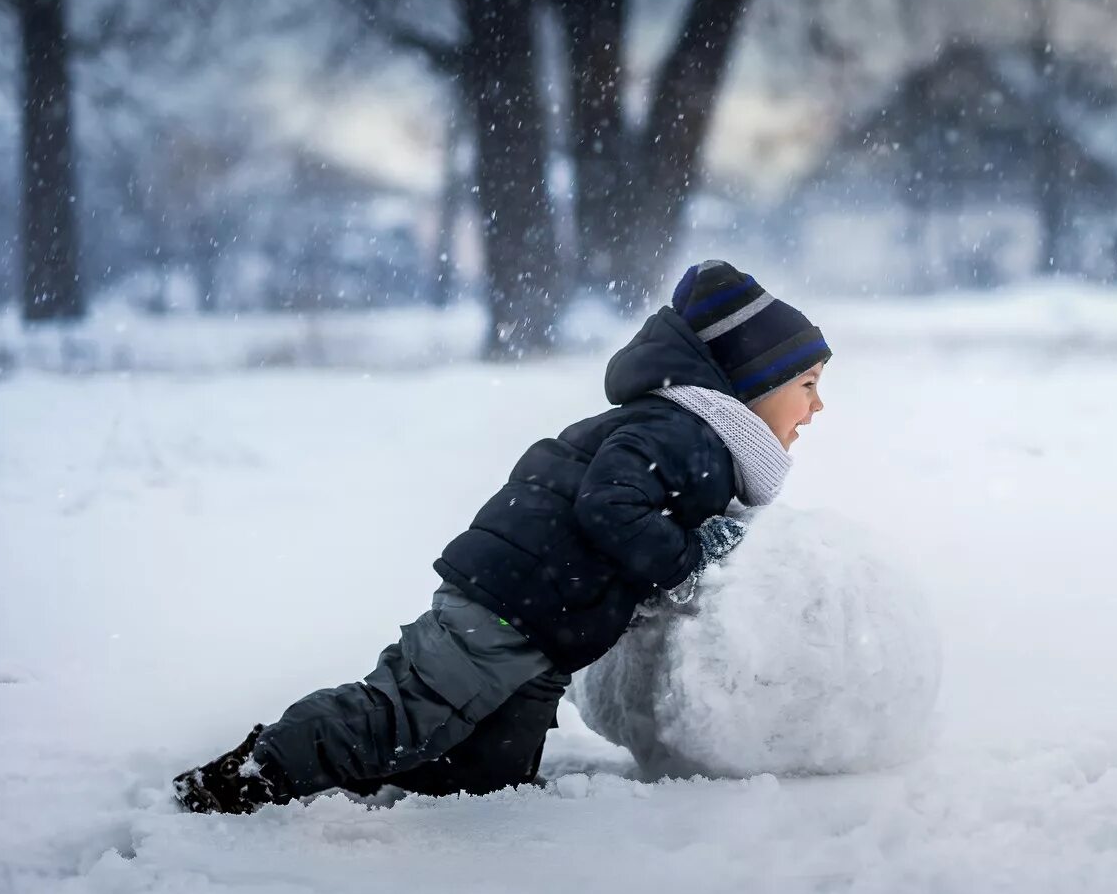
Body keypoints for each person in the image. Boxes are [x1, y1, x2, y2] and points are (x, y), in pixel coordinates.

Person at [172, 261, 829, 813]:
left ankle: (396, 775)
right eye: (807, 385)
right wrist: (684, 561)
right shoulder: (682, 432)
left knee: (491, 774)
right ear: (753, 384)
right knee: (402, 715)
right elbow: (610, 503)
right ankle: (254, 772)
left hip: (545, 630)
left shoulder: (694, 439)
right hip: (506, 607)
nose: (817, 407)